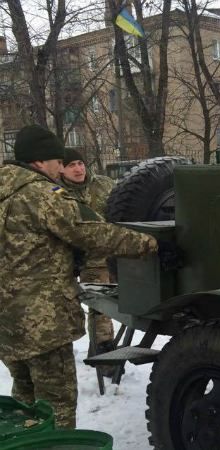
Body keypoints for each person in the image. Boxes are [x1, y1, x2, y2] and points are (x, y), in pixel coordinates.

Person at [0, 124, 159, 429]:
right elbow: (92, 232)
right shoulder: (44, 195)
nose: (61, 170)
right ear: (39, 161)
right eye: (59, 162)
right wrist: (151, 244)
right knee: (56, 406)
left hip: (6, 324)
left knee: (23, 403)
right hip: (42, 323)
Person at [59, 148, 118, 361]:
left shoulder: (103, 184)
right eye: (71, 165)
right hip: (88, 260)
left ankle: (101, 348)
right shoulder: (56, 193)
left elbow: (120, 208)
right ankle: (104, 351)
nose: (78, 168)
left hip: (117, 252)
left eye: (80, 163)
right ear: (62, 170)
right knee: (100, 306)